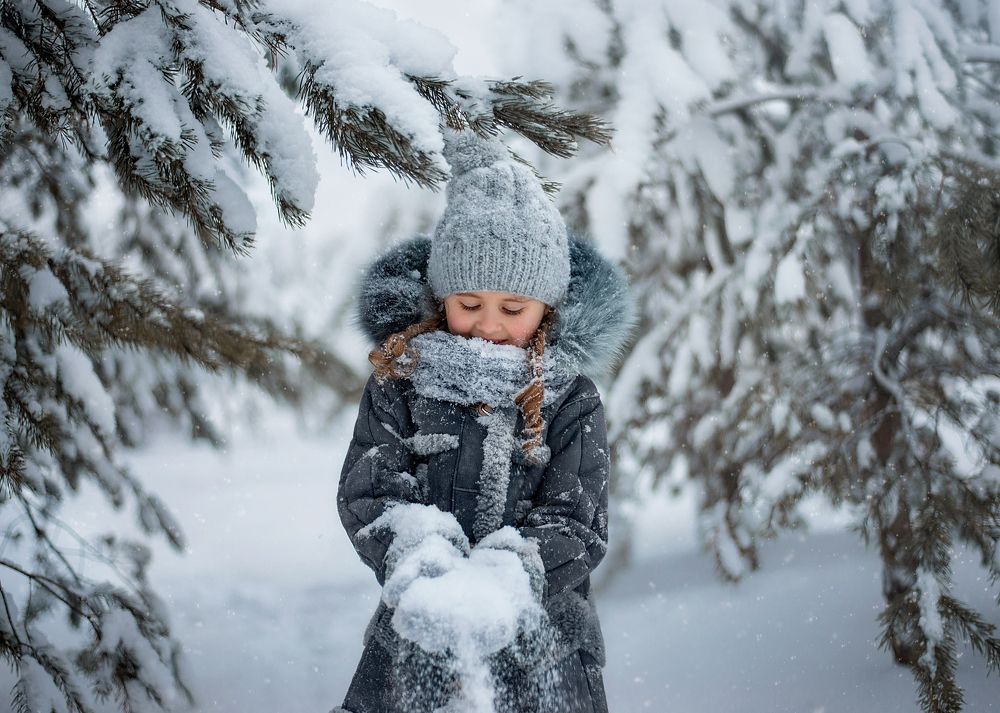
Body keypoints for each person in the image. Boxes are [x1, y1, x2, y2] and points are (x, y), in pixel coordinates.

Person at [333, 130, 633, 713]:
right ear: (441, 297)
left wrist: (516, 569)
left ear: (547, 308)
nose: (489, 325)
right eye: (469, 304)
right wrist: (422, 556)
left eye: (513, 309)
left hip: (543, 643)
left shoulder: (570, 398)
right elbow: (370, 490)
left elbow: (579, 515)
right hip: (421, 628)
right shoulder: (401, 380)